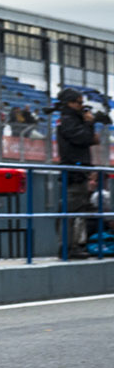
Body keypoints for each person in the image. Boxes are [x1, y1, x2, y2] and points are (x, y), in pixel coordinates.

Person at [55, 88, 103, 258]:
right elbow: (83, 138)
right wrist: (89, 124)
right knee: (70, 211)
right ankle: (67, 248)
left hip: (80, 170)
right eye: (79, 102)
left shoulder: (74, 119)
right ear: (70, 103)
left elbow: (93, 140)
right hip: (73, 171)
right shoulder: (68, 120)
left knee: (78, 211)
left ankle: (74, 246)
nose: (82, 106)